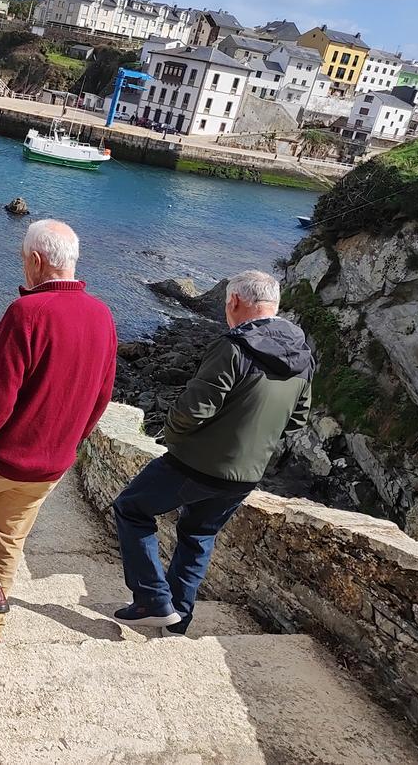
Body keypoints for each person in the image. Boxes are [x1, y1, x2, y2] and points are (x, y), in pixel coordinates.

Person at [0, 220, 117, 643]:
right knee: (9, 535)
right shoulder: (103, 316)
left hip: (6, 454)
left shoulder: (27, 313)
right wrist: (70, 443)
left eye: (22, 260)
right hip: (53, 461)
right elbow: (101, 397)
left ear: (35, 260)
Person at [111, 270, 313, 634]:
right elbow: (297, 419)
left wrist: (170, 433)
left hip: (195, 463)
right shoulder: (303, 355)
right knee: (198, 535)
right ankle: (176, 620)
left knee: (131, 508)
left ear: (234, 301)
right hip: (246, 475)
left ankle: (152, 599)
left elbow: (194, 410)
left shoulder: (234, 347)